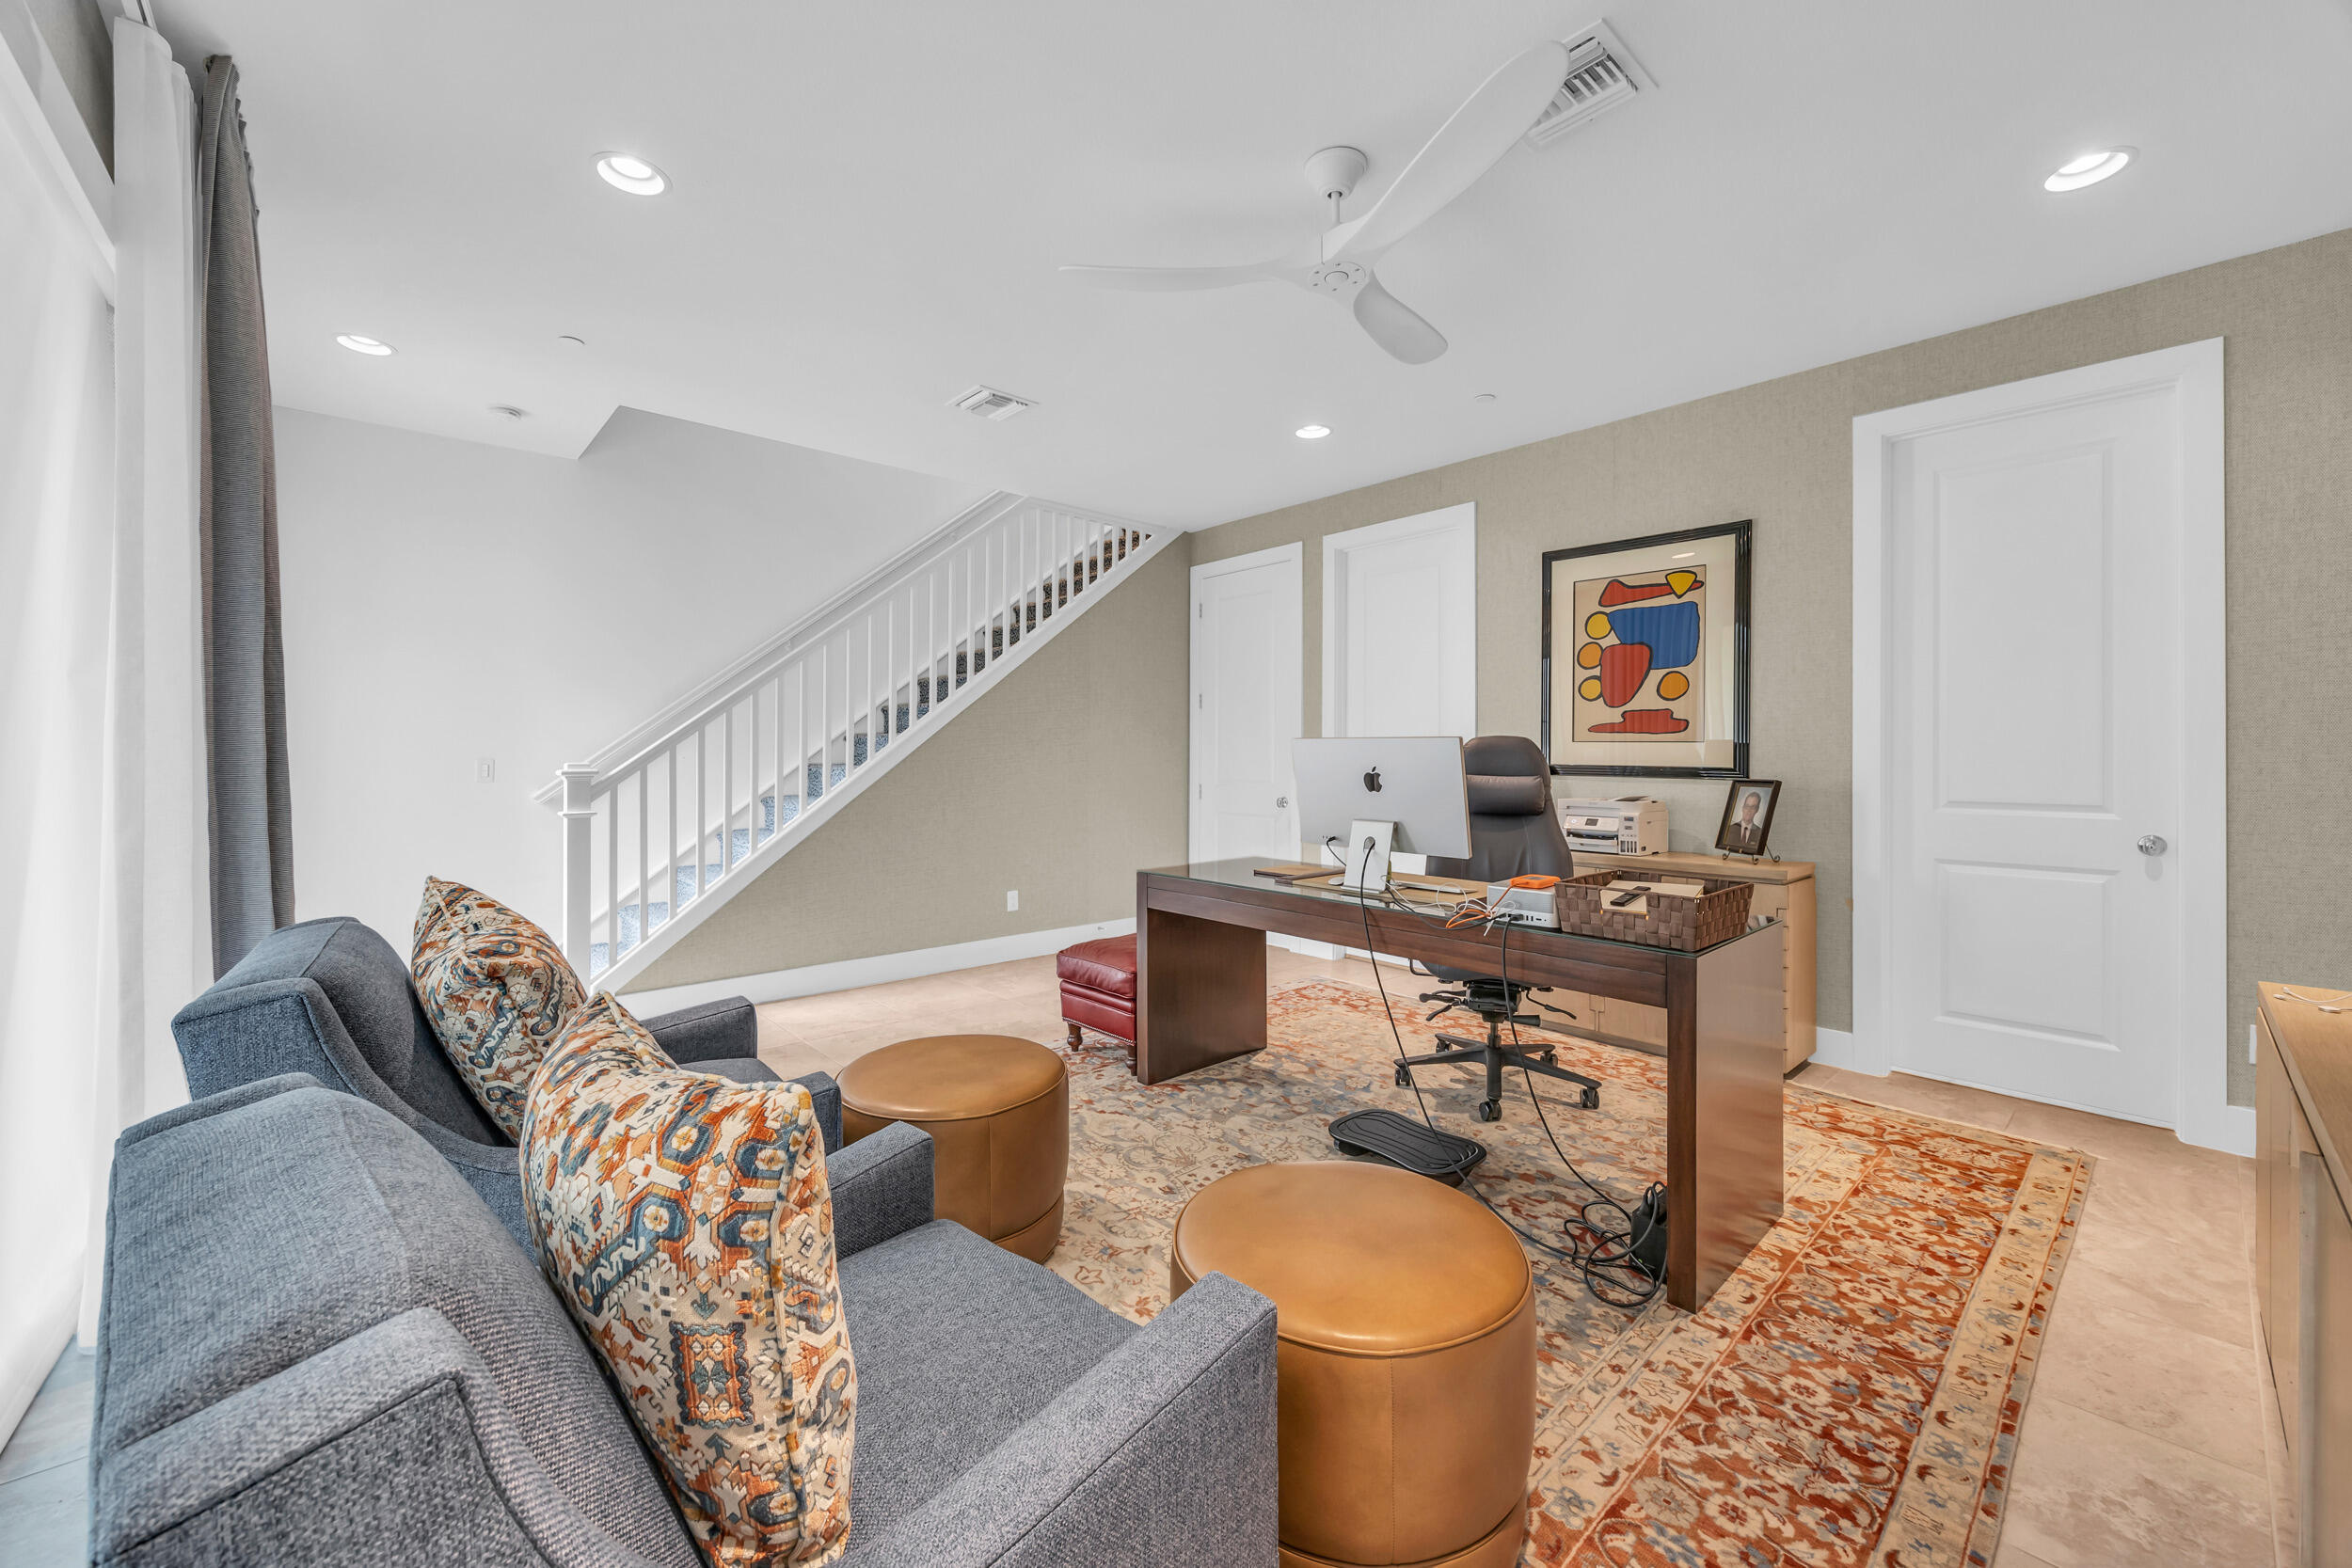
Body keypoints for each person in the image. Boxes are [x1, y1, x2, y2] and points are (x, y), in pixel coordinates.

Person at [1722, 788, 1770, 854]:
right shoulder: (1729, 829)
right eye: (1747, 806)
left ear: (1757, 810)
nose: (1749, 810)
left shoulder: (1760, 833)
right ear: (1743, 808)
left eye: (1753, 807)